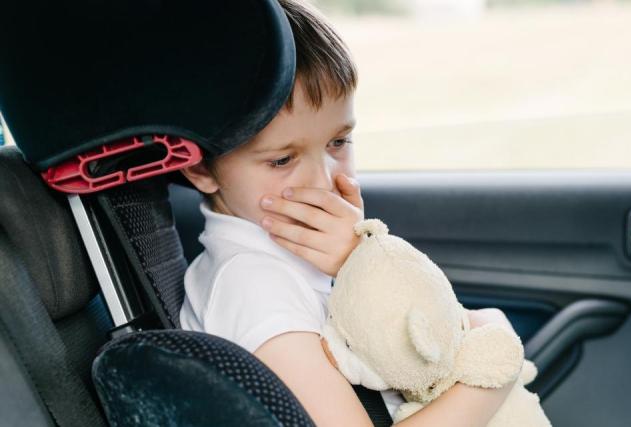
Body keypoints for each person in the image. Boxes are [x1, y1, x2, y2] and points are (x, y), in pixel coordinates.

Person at [178, 0, 519, 425]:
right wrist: (495, 371)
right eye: (282, 160)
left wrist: (363, 261)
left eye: (338, 143)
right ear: (200, 167)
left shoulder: (304, 258)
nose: (323, 181)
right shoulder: (253, 287)